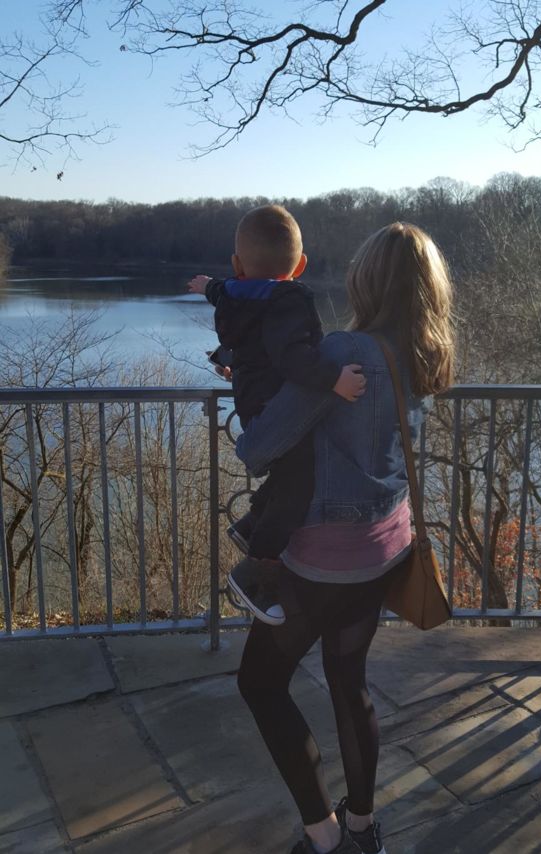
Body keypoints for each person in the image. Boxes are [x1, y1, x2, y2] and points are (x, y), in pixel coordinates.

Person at [234, 222, 455, 854]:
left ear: (366, 280)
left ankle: (324, 837)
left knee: (260, 684)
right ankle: (361, 829)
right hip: (385, 548)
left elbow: (258, 448)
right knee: (348, 681)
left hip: (324, 561)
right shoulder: (420, 354)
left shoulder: (342, 352)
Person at [188, 204, 365, 625]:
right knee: (298, 486)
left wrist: (207, 285)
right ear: (300, 266)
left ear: (237, 265)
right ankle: (257, 570)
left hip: (251, 400)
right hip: (275, 404)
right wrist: (335, 379)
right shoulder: (289, 301)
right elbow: (292, 356)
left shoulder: (233, 293)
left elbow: (222, 294)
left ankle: (251, 525)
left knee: (290, 474)